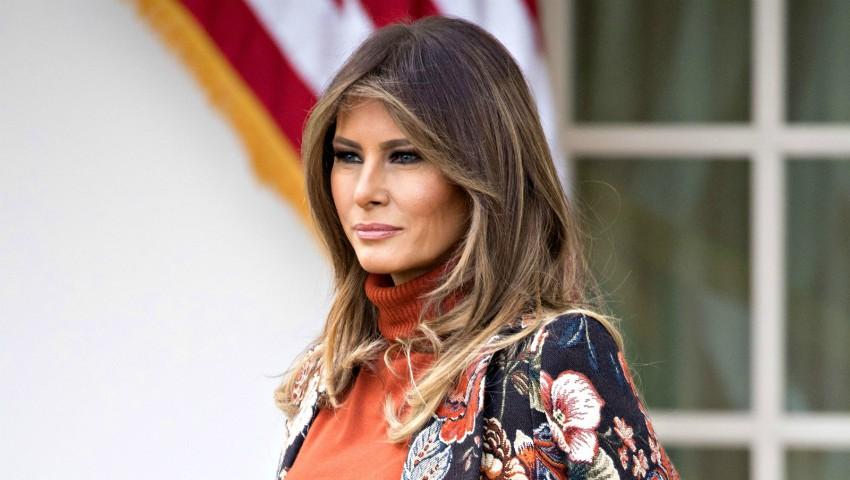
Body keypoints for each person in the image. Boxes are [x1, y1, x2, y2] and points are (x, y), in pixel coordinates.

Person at [273, 16, 679, 480]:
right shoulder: (324, 377)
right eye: (348, 156)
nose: (364, 191)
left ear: (481, 173)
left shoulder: (551, 358)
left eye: (405, 156)